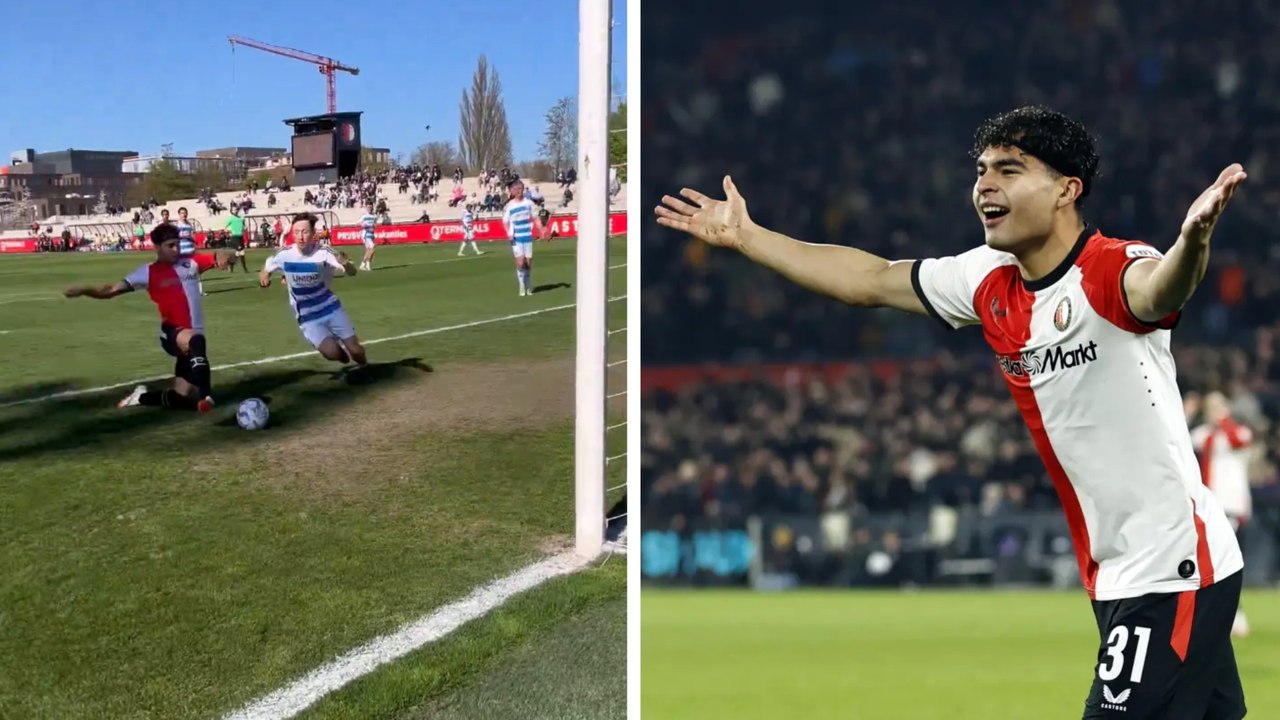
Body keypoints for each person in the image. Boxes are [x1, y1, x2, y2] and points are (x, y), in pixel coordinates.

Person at [655, 105, 1249, 720]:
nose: (985, 184)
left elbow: (1159, 289)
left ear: (1067, 189)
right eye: (982, 169)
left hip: (1173, 565)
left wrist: (1192, 241)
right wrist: (750, 237)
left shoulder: (1112, 268)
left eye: (1010, 170)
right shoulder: (986, 279)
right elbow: (871, 280)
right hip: (1118, 567)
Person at [63, 223, 229, 412]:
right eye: (170, 245)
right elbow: (110, 290)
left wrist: (225, 256)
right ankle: (206, 395)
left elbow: (220, 257)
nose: (176, 250)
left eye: (177, 244)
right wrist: (85, 290)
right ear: (157, 247)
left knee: (179, 399)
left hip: (192, 341)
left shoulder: (191, 261)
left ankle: (140, 397)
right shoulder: (147, 272)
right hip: (173, 333)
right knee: (196, 341)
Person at [259, 212, 367, 370]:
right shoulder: (284, 254)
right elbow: (268, 266)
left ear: (313, 233)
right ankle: (341, 357)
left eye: (305, 232)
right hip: (307, 315)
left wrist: (346, 263)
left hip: (331, 308)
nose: (300, 237)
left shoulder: (325, 252)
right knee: (332, 353)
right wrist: (264, 276)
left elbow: (352, 272)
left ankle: (364, 366)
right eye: (296, 232)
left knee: (355, 350)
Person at [1189, 391, 1255, 639]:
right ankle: (1219, 614)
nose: (1214, 411)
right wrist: (1189, 412)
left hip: (1233, 507)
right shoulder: (1204, 434)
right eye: (1211, 406)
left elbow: (1238, 441)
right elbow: (1179, 441)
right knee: (1209, 561)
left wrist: (1223, 420)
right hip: (1209, 507)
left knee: (1231, 561)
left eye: (1219, 406)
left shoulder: (1239, 431)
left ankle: (1236, 613)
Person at [502, 179, 544, 296]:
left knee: (528, 263)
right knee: (520, 262)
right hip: (516, 237)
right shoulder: (509, 206)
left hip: (527, 236)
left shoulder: (529, 203)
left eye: (520, 188)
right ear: (512, 191)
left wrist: (541, 229)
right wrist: (509, 234)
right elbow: (505, 222)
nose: (518, 191)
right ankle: (522, 285)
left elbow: (535, 218)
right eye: (515, 189)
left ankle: (528, 283)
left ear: (523, 189)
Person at [175, 206, 206, 296]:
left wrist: (193, 242)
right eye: (182, 213)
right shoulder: (177, 225)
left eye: (185, 213)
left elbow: (192, 236)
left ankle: (199, 291)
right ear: (179, 215)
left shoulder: (189, 225)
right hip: (182, 251)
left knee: (196, 270)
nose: (184, 214)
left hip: (191, 250)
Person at [225, 208, 249, 273]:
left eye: (235, 210)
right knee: (242, 252)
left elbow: (244, 226)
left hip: (240, 237)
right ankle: (245, 269)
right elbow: (225, 226)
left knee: (237, 254)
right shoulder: (231, 218)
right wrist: (227, 230)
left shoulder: (240, 218)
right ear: (232, 212)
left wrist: (244, 227)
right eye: (233, 210)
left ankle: (230, 265)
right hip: (235, 237)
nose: (235, 211)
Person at [359, 204, 377, 271]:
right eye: (368, 207)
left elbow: (375, 225)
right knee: (372, 248)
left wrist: (374, 225)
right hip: (366, 234)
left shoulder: (374, 216)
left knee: (368, 250)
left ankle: (363, 264)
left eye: (370, 207)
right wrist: (363, 225)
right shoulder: (364, 216)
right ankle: (368, 264)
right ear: (366, 208)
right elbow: (358, 223)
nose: (369, 208)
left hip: (371, 234)